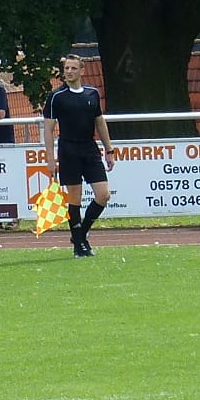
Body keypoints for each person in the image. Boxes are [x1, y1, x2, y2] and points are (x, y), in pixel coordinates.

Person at [43, 54, 117, 257]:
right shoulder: (56, 97)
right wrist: (50, 159)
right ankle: (79, 246)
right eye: (67, 68)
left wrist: (109, 150)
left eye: (73, 68)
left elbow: (100, 122)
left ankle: (80, 234)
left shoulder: (92, 94)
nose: (69, 72)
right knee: (75, 198)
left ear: (81, 70)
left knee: (103, 194)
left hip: (90, 149)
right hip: (68, 150)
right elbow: (48, 130)